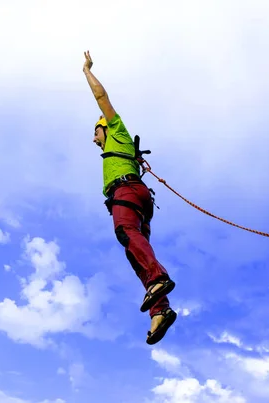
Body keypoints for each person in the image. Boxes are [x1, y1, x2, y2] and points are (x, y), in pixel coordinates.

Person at [83, 50, 177, 345]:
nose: (93, 138)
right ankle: (160, 310)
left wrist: (86, 71)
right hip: (137, 200)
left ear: (104, 126)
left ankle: (159, 278)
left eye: (95, 131)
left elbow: (102, 99)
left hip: (126, 192)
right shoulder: (115, 150)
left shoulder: (118, 131)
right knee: (134, 249)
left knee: (124, 232)